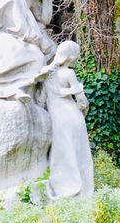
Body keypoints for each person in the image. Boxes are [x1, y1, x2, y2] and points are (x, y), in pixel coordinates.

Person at [39, 41, 94, 199]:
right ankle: (83, 192)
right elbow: (82, 101)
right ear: (72, 56)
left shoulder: (47, 73)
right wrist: (84, 110)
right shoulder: (69, 74)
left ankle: (62, 188)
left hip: (56, 118)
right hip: (72, 116)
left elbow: (43, 99)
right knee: (79, 153)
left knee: (61, 153)